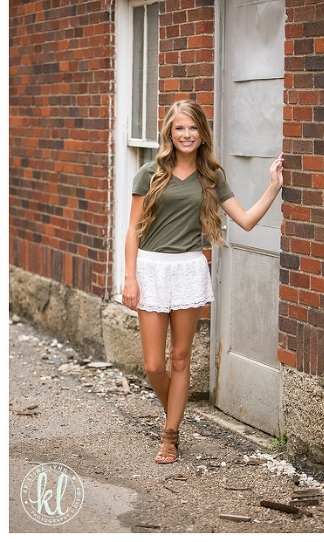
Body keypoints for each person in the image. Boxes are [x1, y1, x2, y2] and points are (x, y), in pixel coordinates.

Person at [122, 99, 283, 464]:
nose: (187, 134)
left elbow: (244, 221)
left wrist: (273, 188)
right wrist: (130, 277)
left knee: (180, 359)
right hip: (151, 268)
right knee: (153, 366)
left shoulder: (211, 177)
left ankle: (170, 436)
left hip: (188, 270)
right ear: (169, 132)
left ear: (202, 133)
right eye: (180, 128)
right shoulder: (150, 173)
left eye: (193, 128)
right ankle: (174, 414)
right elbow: (132, 229)